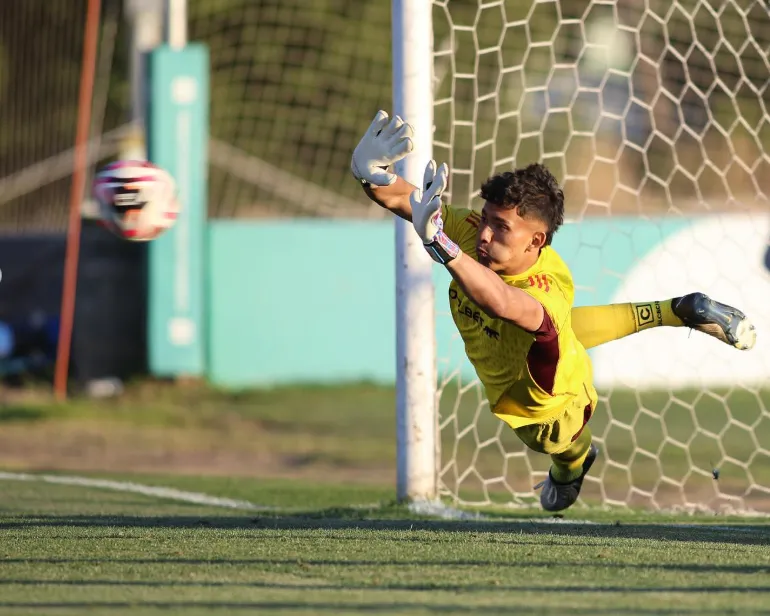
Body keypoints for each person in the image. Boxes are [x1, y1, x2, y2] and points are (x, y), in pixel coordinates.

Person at [351, 110, 757, 512]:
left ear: (536, 241)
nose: (485, 234)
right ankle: (679, 309)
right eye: (487, 219)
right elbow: (407, 199)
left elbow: (501, 302)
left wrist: (442, 247)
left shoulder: (542, 290)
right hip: (537, 349)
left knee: (563, 448)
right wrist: (371, 173)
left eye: (502, 228)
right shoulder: (474, 232)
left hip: (549, 403)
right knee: (566, 333)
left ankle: (573, 467)